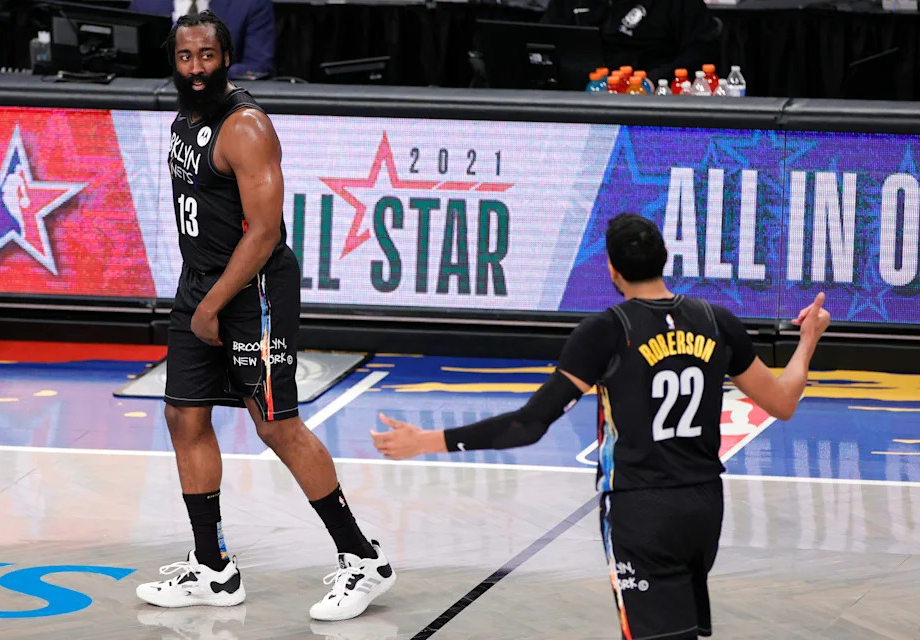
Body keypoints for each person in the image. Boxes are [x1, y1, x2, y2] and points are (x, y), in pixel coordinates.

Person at [371, 213, 830, 640]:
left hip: (641, 510)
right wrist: (807, 340)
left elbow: (530, 424)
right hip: (704, 505)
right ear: (663, 259)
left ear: (611, 269)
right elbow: (783, 402)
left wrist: (427, 441)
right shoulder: (716, 321)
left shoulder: (608, 331)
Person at [135, 11, 395, 622]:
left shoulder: (245, 126)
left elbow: (265, 233)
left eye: (206, 57)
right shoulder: (186, 114)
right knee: (183, 416)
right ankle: (214, 570)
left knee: (276, 424)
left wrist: (213, 305)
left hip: (252, 292)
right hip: (200, 283)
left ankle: (363, 560)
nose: (196, 69)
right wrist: (199, 297)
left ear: (227, 56)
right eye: (185, 58)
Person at [541, 0, 720, 85]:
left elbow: (701, 50)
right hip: (581, 95)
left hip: (651, 96)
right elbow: (543, 39)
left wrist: (656, 79)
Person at [129, 0, 275, 78]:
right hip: (151, 103)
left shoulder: (251, 3)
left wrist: (206, 73)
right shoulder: (144, 2)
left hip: (222, 103)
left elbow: (258, 66)